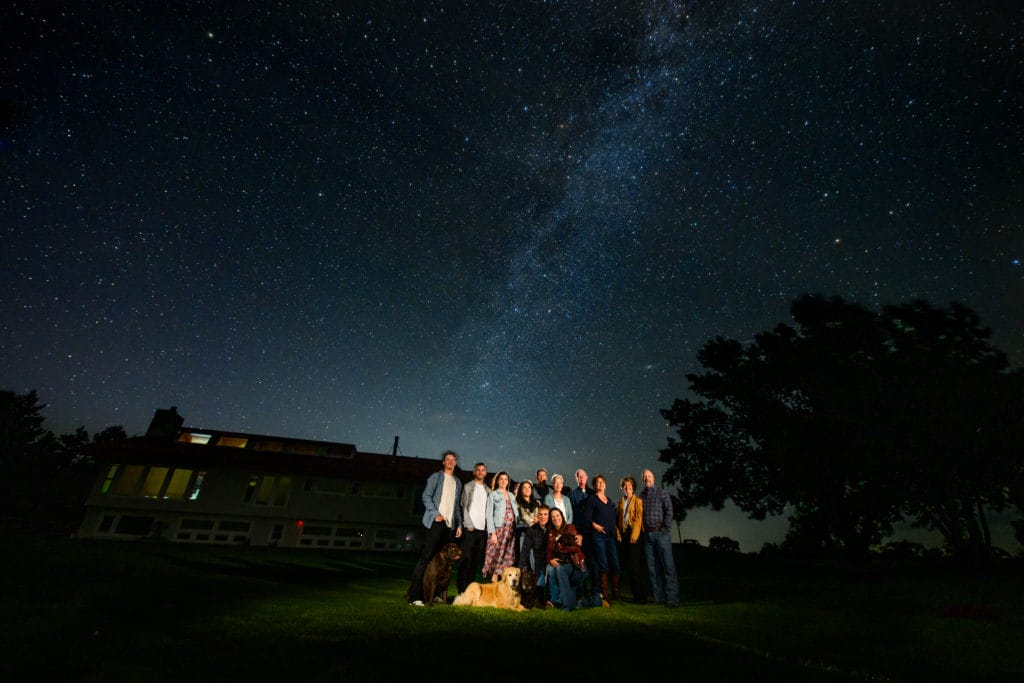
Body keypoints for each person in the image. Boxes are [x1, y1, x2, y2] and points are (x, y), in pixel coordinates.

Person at [407, 450, 463, 606]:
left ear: (455, 462)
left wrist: (459, 524)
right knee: (426, 557)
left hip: (449, 526)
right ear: (443, 462)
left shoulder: (457, 482)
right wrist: (436, 513)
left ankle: (436, 594)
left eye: (453, 459)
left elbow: (456, 506)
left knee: (442, 563)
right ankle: (415, 596)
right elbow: (426, 496)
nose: (451, 462)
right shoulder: (436, 477)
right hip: (436, 522)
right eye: (448, 459)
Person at [545, 507, 605, 611]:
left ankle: (567, 606)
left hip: (578, 566)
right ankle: (596, 601)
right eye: (553, 517)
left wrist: (561, 548)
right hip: (566, 566)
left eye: (557, 515)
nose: (555, 518)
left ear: (562, 517)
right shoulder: (551, 532)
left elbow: (575, 547)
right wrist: (550, 560)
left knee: (560, 570)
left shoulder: (570, 528)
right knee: (572, 600)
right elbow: (549, 550)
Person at [639, 468, 679, 608]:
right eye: (644, 477)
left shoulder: (661, 492)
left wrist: (665, 528)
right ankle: (659, 597)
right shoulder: (641, 496)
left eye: (649, 476)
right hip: (647, 536)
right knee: (652, 568)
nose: (646, 479)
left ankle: (672, 598)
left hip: (661, 534)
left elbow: (669, 510)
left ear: (653, 478)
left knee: (668, 566)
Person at [583, 474, 621, 601]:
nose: (601, 484)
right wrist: (595, 526)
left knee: (615, 564)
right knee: (603, 564)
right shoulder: (592, 499)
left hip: (610, 537)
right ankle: (604, 593)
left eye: (602, 482)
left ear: (605, 484)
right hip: (598, 536)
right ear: (595, 486)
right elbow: (587, 518)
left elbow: (613, 519)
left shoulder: (609, 501)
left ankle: (615, 591)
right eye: (598, 482)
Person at [457, 461, 489, 593]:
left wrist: (487, 526)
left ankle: (469, 591)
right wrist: (468, 524)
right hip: (470, 529)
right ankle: (461, 590)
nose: (481, 472)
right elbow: (463, 505)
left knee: (475, 562)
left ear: (485, 473)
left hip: (482, 531)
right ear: (474, 472)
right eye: (478, 470)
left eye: (483, 470)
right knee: (466, 560)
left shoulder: (488, 490)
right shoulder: (468, 486)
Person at [616, 475, 648, 604]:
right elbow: (617, 520)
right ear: (623, 488)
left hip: (634, 534)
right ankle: (636, 596)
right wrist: (618, 534)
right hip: (624, 535)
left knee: (635, 567)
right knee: (629, 567)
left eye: (629, 485)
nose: (627, 487)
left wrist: (634, 536)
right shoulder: (620, 502)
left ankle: (641, 597)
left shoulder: (638, 501)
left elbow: (639, 519)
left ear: (633, 487)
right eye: (625, 485)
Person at [482, 471, 518, 580]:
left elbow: (516, 512)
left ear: (508, 482)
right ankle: (493, 584)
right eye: (501, 479)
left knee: (506, 558)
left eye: (506, 479)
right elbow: (489, 514)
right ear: (497, 481)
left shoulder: (511, 495)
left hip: (510, 531)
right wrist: (492, 533)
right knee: (495, 556)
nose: (503, 481)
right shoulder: (493, 494)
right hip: (498, 530)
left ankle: (502, 587)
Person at [569, 468, 596, 597]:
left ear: (587, 477)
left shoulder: (593, 493)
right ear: (577, 479)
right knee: (580, 562)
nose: (581, 478)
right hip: (579, 533)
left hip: (592, 532)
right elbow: (572, 513)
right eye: (579, 476)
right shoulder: (573, 494)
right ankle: (581, 591)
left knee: (593, 562)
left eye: (583, 476)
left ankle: (595, 591)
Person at [517, 505, 550, 606]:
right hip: (539, 561)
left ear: (548, 516)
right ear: (537, 515)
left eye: (545, 514)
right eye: (540, 514)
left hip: (551, 559)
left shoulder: (551, 528)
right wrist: (520, 568)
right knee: (539, 584)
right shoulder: (532, 530)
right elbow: (525, 550)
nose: (543, 517)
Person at [514, 479, 539, 564]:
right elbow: (522, 516)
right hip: (523, 534)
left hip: (535, 534)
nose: (527, 489)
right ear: (521, 490)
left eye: (529, 487)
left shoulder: (537, 503)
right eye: (524, 488)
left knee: (535, 558)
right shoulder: (517, 503)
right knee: (523, 558)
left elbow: (539, 516)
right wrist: (533, 520)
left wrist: (536, 520)